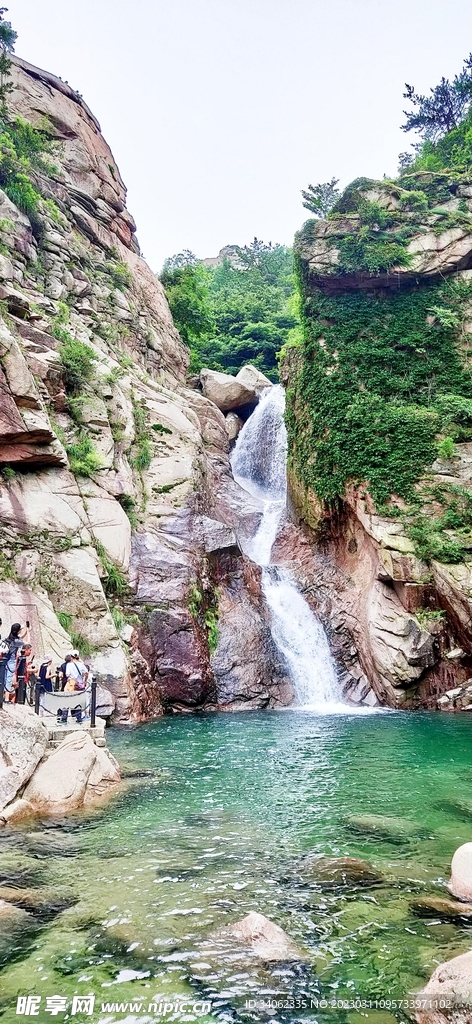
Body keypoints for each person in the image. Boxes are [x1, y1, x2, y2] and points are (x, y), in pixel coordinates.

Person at [3, 624, 24, 703]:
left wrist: (26, 631)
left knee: (3, 678)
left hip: (5, 661)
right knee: (8, 680)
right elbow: (27, 643)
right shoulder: (16, 641)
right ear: (18, 631)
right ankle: (6, 699)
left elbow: (20, 638)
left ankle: (3, 697)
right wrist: (28, 633)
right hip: (11, 662)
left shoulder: (8, 639)